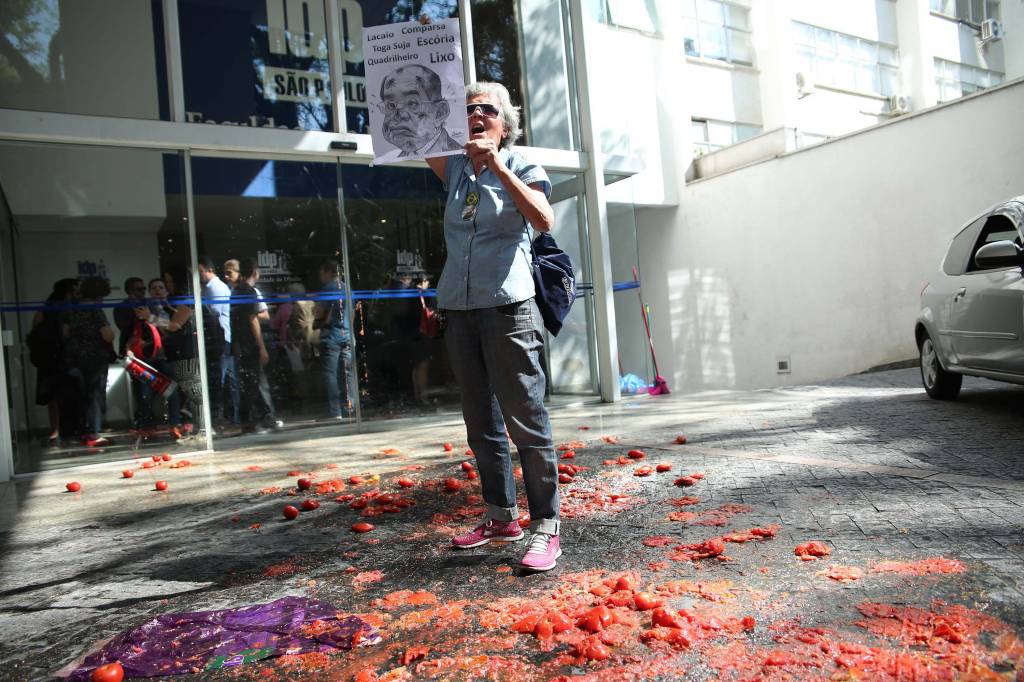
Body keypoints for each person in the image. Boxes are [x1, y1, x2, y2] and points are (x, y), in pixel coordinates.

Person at [424, 81, 560, 571]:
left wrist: (498, 166)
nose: (476, 115)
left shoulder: (522, 165)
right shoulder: (455, 169)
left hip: (507, 307)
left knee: (526, 417)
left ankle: (546, 526)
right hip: (459, 309)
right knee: (480, 421)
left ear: (505, 123)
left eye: (487, 109)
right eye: (467, 110)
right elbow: (417, 131)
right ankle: (501, 516)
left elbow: (543, 219)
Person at [61, 276, 115, 448]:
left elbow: (65, 333)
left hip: (76, 358)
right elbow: (107, 335)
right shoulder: (95, 310)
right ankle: (93, 432)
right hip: (95, 358)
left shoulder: (72, 309)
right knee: (95, 395)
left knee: (81, 394)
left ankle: (80, 430)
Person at [27, 278, 78, 446]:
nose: (77, 294)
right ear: (68, 292)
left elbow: (34, 333)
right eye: (74, 291)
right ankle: (66, 430)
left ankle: (56, 430)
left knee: (53, 396)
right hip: (61, 358)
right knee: (63, 394)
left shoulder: (45, 310)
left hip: (49, 359)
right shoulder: (67, 310)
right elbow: (66, 335)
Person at [231, 258, 278, 434]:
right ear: (255, 272)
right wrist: (261, 347)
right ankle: (261, 419)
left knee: (249, 383)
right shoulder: (248, 291)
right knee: (255, 383)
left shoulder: (236, 291)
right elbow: (253, 320)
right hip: (249, 345)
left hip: (240, 344)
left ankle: (253, 420)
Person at [378, 64, 462, 161]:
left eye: (412, 103)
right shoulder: (389, 159)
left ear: (440, 112)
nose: (400, 115)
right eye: (390, 105)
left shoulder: (459, 157)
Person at [314, 260, 353, 420]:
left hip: (332, 335)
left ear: (329, 273)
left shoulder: (328, 289)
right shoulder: (347, 288)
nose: (320, 276)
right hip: (347, 335)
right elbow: (352, 313)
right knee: (347, 373)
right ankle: (350, 408)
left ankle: (335, 411)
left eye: (322, 273)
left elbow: (319, 313)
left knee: (331, 374)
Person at [198, 257, 231, 426]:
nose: (199, 275)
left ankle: (220, 414)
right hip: (221, 337)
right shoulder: (211, 287)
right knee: (221, 377)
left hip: (220, 337)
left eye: (200, 271)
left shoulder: (214, 288)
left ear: (209, 270)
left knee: (220, 378)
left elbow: (214, 313)